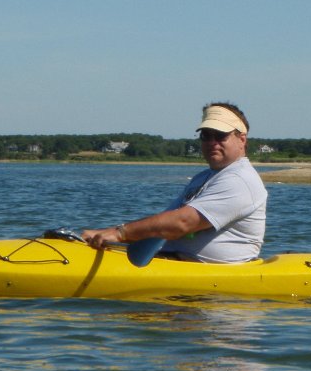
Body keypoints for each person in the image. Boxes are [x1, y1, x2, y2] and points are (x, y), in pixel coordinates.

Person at [82, 102, 268, 263]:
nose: (212, 142)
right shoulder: (203, 178)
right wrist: (109, 236)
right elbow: (166, 223)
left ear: (241, 139)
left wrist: (119, 233)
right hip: (173, 261)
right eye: (206, 135)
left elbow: (182, 222)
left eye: (220, 135)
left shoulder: (240, 180)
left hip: (212, 286)